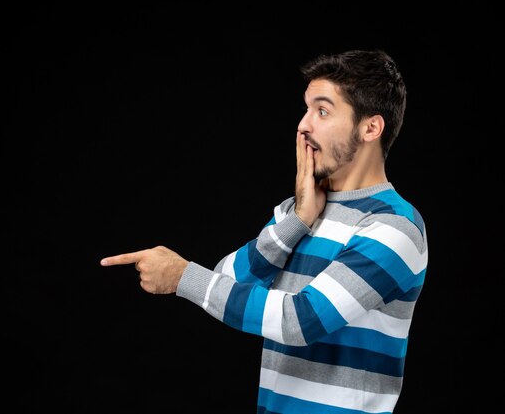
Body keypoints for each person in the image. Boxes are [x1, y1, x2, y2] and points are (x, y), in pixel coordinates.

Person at [100, 49, 428, 414]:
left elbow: (301, 320)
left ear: (370, 128)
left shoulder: (395, 226)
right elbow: (225, 279)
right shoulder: (298, 209)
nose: (303, 125)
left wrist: (181, 276)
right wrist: (296, 222)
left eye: (322, 111)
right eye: (306, 109)